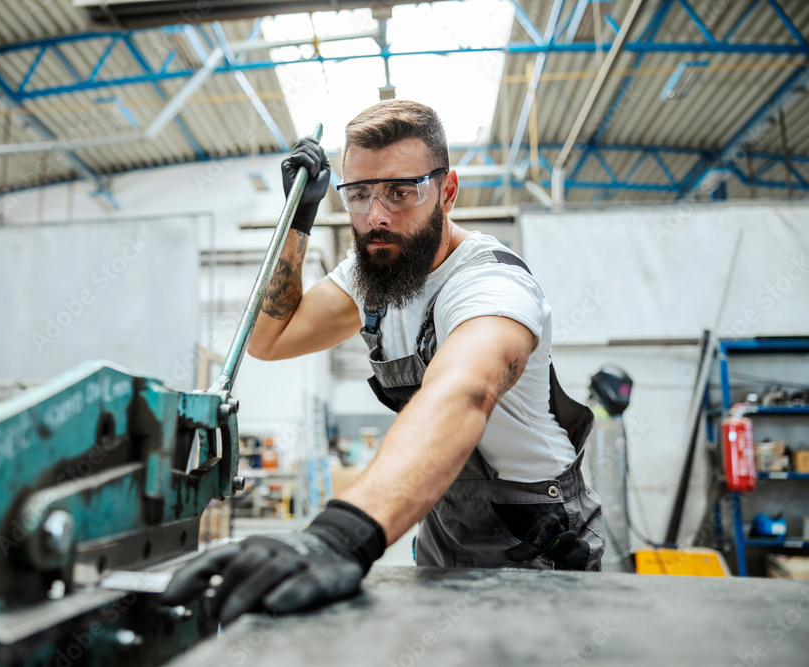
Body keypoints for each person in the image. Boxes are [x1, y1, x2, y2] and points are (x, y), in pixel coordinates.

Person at [163, 100, 604, 625]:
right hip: (442, 516)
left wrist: (338, 535)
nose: (376, 216)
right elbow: (266, 339)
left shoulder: (491, 285)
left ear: (447, 190)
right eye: (359, 194)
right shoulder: (374, 272)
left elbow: (464, 393)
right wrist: (297, 222)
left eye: (401, 191)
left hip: (538, 531)